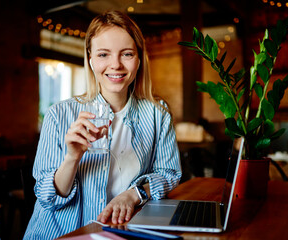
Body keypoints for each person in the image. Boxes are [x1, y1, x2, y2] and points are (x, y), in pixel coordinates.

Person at [23, 10, 182, 239]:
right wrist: (72, 158)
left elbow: (169, 173)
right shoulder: (59, 114)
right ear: (90, 59)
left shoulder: (158, 114)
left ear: (138, 59)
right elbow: (47, 198)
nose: (115, 65)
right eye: (103, 54)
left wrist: (134, 194)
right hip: (60, 234)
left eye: (126, 54)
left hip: (120, 233)